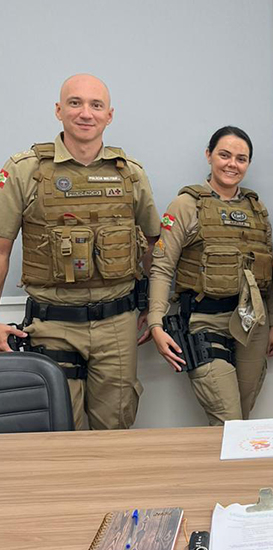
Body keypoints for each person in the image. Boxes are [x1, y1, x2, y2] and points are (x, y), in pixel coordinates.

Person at [0, 74, 160, 430]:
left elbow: (154, 246)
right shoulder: (24, 170)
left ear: (109, 115)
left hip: (117, 325)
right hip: (52, 324)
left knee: (115, 430)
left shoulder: (130, 174)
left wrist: (152, 307)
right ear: (59, 110)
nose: (85, 113)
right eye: (75, 103)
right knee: (58, 430)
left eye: (95, 105)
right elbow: (1, 250)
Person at [147, 126, 273, 425]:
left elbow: (266, 273)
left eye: (241, 159)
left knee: (242, 417)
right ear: (209, 156)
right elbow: (162, 267)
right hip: (203, 320)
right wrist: (156, 322)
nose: (232, 164)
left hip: (251, 324)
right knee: (228, 420)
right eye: (224, 155)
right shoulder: (186, 205)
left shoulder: (257, 210)